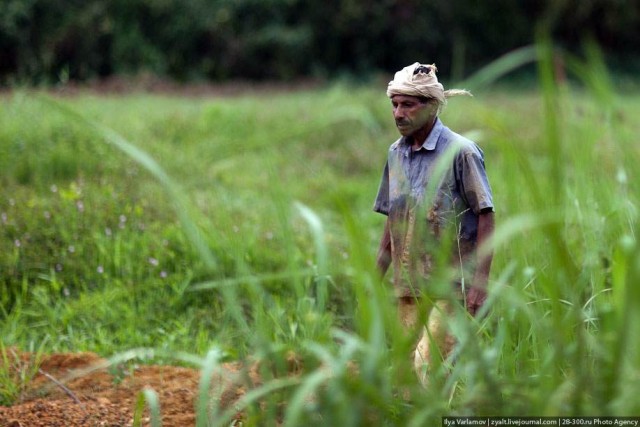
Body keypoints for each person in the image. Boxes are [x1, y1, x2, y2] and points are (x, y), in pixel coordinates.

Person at [373, 62, 495, 385]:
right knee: (406, 372)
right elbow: (392, 217)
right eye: (395, 104)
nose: (398, 113)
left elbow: (486, 213)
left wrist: (480, 282)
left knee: (428, 367)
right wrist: (375, 274)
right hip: (408, 285)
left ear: (431, 106)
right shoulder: (395, 154)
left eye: (408, 104)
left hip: (450, 286)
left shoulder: (461, 152)